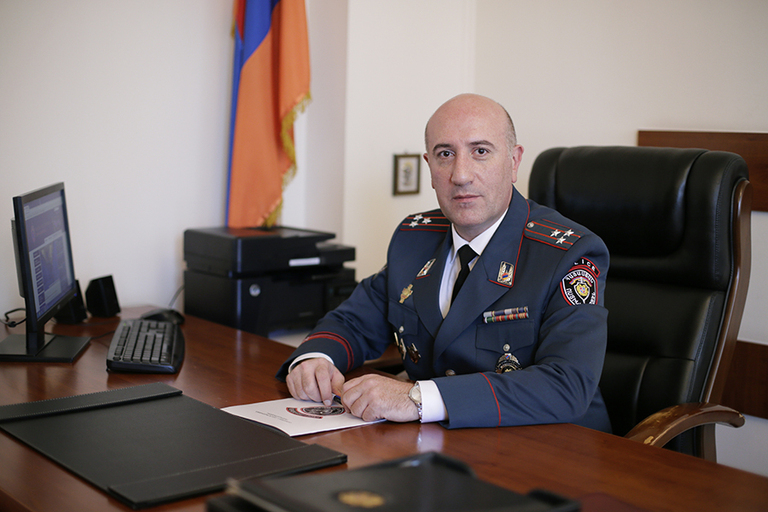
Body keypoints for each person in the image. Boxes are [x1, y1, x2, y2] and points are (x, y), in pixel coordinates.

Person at [277, 93, 611, 432]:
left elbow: (567, 384)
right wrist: (316, 359)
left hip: (551, 445)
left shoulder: (567, 253)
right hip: (443, 441)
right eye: (445, 154)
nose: (461, 175)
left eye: (481, 151)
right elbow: (355, 321)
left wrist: (417, 398)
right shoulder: (414, 237)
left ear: (514, 161)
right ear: (430, 167)